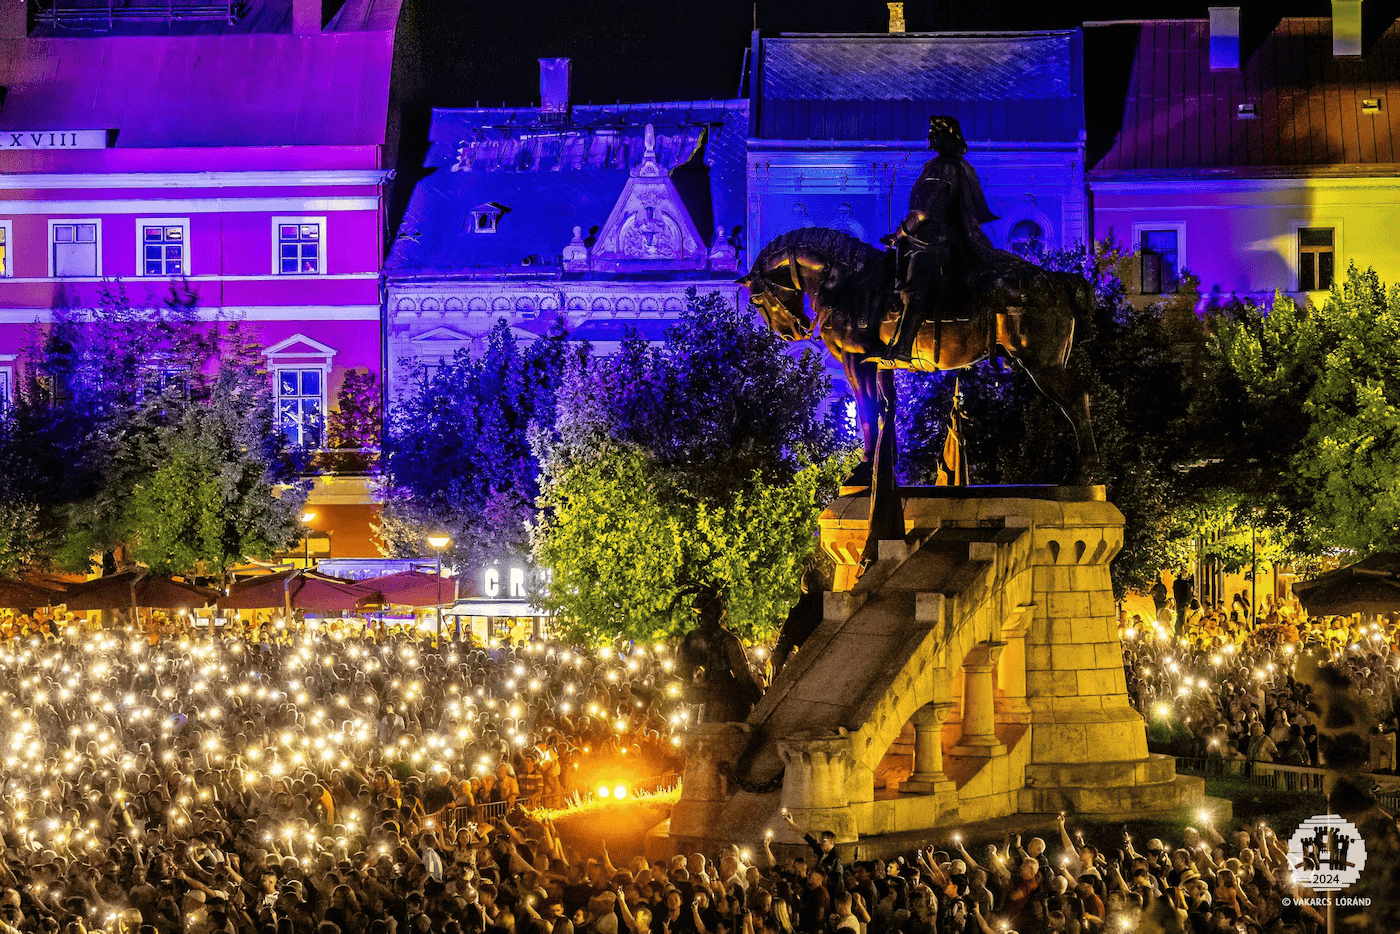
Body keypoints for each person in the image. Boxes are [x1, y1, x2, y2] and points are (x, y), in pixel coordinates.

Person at [877, 114, 999, 366]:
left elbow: (922, 211)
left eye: (934, 133)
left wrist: (899, 234)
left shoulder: (940, 167)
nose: (930, 137)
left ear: (944, 139)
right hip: (955, 240)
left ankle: (903, 346)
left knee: (914, 289)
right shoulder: (961, 166)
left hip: (935, 244)